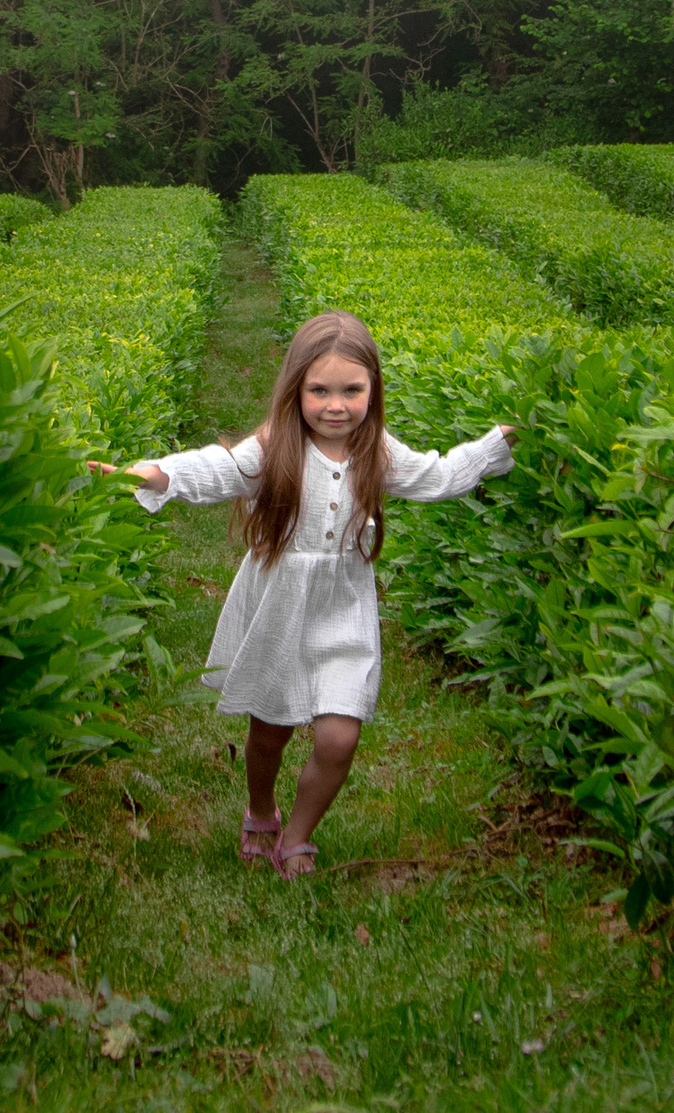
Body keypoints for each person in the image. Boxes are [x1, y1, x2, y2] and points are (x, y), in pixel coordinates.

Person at [88, 309, 519, 880]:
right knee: (271, 727)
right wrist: (151, 475)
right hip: (281, 605)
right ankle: (261, 810)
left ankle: (297, 837)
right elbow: (216, 469)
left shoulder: (376, 451)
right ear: (296, 389)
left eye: (352, 390)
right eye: (319, 390)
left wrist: (492, 447)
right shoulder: (276, 447)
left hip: (344, 609)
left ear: (373, 390)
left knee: (340, 736)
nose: (335, 405)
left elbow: (436, 476)